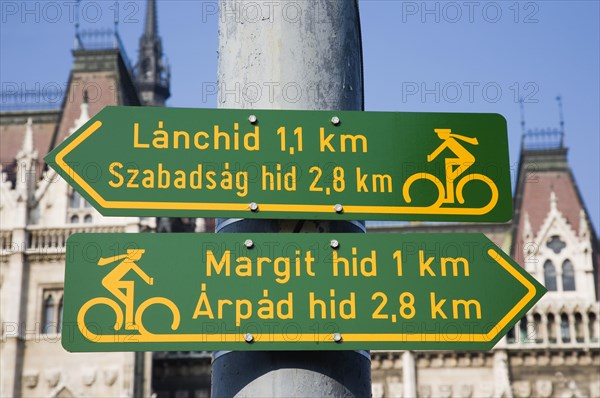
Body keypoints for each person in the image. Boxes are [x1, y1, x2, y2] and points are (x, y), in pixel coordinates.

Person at [98, 249, 153, 330]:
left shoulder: (128, 261)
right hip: (109, 282)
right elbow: (139, 272)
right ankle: (128, 325)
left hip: (111, 282)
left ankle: (126, 323)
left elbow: (139, 271)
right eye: (138, 254)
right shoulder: (128, 262)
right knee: (129, 291)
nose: (139, 256)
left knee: (129, 291)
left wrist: (148, 279)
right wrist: (148, 280)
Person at [427, 128, 479, 203]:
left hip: (467, 160)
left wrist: (431, 157)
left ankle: (451, 198)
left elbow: (440, 149)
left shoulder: (449, 140)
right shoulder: (450, 140)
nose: (439, 136)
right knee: (449, 163)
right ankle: (450, 197)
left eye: (439, 134)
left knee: (449, 172)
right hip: (465, 160)